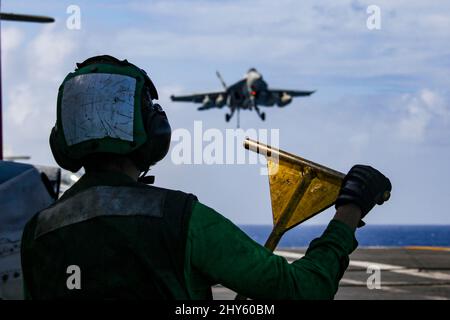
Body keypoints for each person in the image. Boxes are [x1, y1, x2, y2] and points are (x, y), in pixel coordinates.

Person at [21, 55, 392, 300]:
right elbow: (303, 291)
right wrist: (349, 210)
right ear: (154, 131)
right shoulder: (180, 217)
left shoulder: (37, 231)